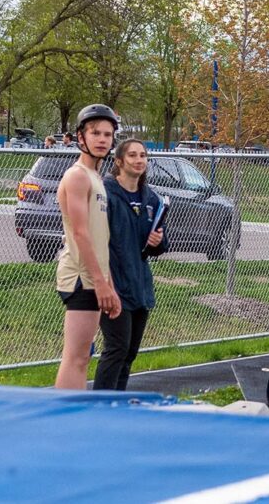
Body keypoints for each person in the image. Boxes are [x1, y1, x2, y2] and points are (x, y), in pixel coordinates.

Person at [54, 104, 121, 389]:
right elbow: (81, 234)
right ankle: (64, 425)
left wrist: (110, 283)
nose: (102, 139)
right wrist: (99, 282)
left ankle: (71, 422)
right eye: (95, 133)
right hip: (81, 277)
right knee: (76, 358)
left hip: (95, 277)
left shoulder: (96, 178)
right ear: (81, 136)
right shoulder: (78, 176)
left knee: (84, 356)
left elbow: (99, 237)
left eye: (107, 134)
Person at [92, 139, 168, 391]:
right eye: (133, 155)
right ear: (119, 162)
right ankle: (101, 408)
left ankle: (118, 405)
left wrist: (157, 241)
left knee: (129, 354)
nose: (139, 160)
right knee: (116, 349)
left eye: (143, 156)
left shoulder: (151, 199)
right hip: (113, 285)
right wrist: (104, 283)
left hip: (139, 287)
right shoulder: (106, 195)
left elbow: (157, 245)